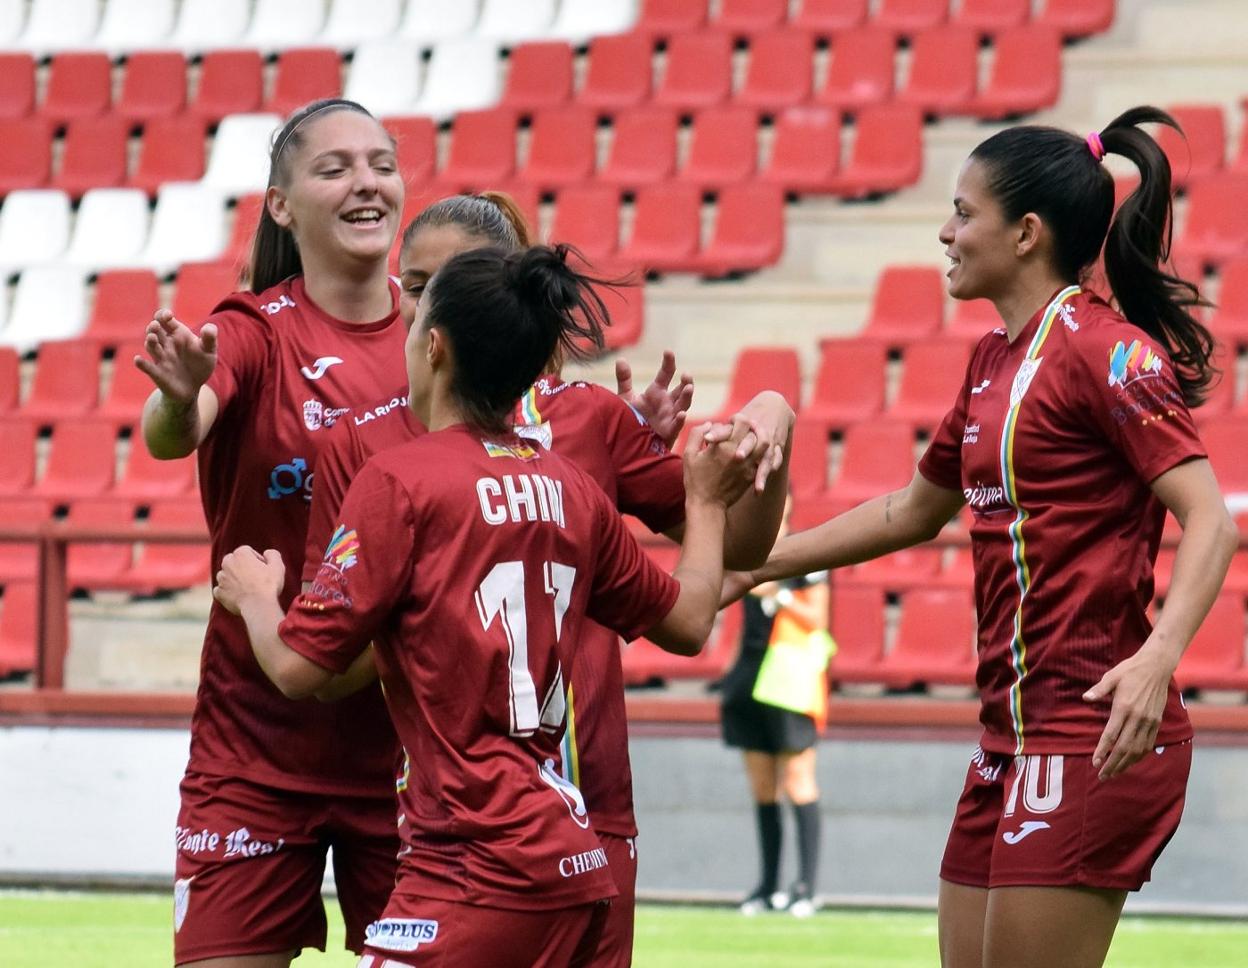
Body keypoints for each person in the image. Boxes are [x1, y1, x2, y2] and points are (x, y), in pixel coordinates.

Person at [725, 107, 1237, 968]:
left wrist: (1159, 660)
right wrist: (756, 566)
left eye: (964, 212)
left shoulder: (1110, 356)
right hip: (1005, 737)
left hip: (1090, 734)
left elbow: (1212, 522)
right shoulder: (993, 361)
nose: (946, 231)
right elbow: (910, 513)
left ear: (1027, 233)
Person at [211, 243, 761, 967]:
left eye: (411, 327)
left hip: (475, 864)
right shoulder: (571, 488)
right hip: (573, 858)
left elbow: (301, 671)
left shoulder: (399, 481)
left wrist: (254, 598)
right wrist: (705, 500)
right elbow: (690, 622)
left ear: (433, 347)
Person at [137, 98, 412, 967]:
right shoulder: (253, 330)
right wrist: (181, 396)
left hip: (413, 761)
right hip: (252, 752)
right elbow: (170, 429)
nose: (366, 182)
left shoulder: (445, 343)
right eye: (334, 168)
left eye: (381, 162)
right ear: (282, 205)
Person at [721, 498, 829, 919]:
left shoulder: (806, 554)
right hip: (750, 678)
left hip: (789, 682)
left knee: (799, 781)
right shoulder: (747, 552)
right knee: (762, 788)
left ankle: (806, 888)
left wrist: (778, 594)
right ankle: (767, 886)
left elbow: (818, 618)